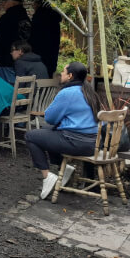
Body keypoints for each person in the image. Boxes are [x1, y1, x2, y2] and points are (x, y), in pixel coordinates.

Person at [24, 62, 100, 199]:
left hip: (76, 142)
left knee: (31, 136)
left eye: (63, 72)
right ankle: (64, 169)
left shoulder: (67, 93)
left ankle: (47, 176)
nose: (61, 75)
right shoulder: (89, 91)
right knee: (47, 130)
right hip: (93, 143)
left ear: (70, 76)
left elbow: (50, 118)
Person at [0, 0, 32, 84]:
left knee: (8, 88)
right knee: (21, 87)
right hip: (24, 59)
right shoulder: (27, 19)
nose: (4, 4)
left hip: (6, 60)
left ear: (13, 3)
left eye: (6, 2)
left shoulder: (6, 18)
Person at [30, 0, 62, 77]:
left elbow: (33, 36)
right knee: (49, 74)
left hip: (38, 54)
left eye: (34, 4)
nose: (33, 6)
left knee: (38, 77)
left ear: (38, 4)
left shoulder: (38, 17)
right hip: (52, 53)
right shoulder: (54, 18)